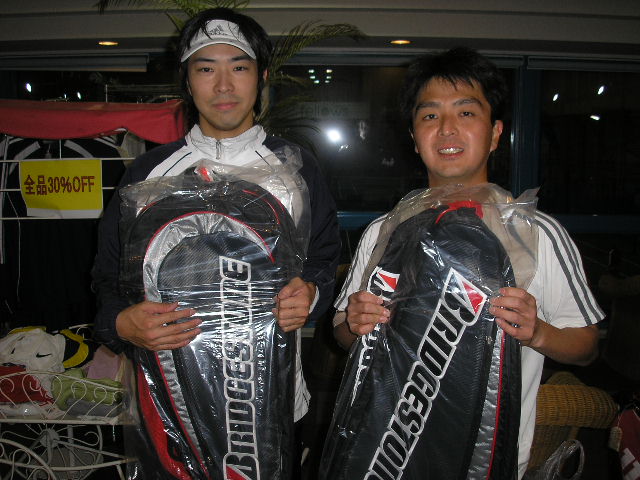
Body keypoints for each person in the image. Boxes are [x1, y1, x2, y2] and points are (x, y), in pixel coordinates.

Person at [332, 46, 603, 478]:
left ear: (495, 133)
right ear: (414, 136)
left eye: (466, 112)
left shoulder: (535, 233)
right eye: (430, 115)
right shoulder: (384, 231)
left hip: (486, 461)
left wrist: (538, 332)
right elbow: (344, 336)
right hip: (385, 453)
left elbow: (586, 346)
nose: (447, 129)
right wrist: (354, 323)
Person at [91, 5, 340, 470]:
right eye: (206, 69)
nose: (223, 86)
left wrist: (311, 293)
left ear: (261, 77)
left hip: (273, 399)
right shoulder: (148, 175)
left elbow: (325, 260)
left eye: (239, 68)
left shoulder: (295, 168)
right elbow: (106, 279)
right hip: (171, 402)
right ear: (187, 82)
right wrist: (122, 324)